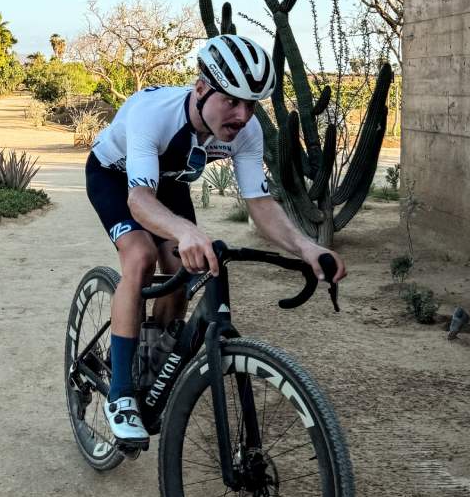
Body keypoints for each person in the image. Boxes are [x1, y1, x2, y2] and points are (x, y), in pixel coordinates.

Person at [84, 34, 347, 444]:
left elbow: (259, 204)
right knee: (141, 257)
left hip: (168, 184)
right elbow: (138, 199)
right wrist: (186, 229)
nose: (242, 115)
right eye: (232, 101)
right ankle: (120, 395)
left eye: (252, 104)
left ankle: (151, 362)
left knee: (187, 268)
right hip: (116, 179)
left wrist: (307, 246)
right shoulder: (152, 115)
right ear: (202, 88)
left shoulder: (246, 129)